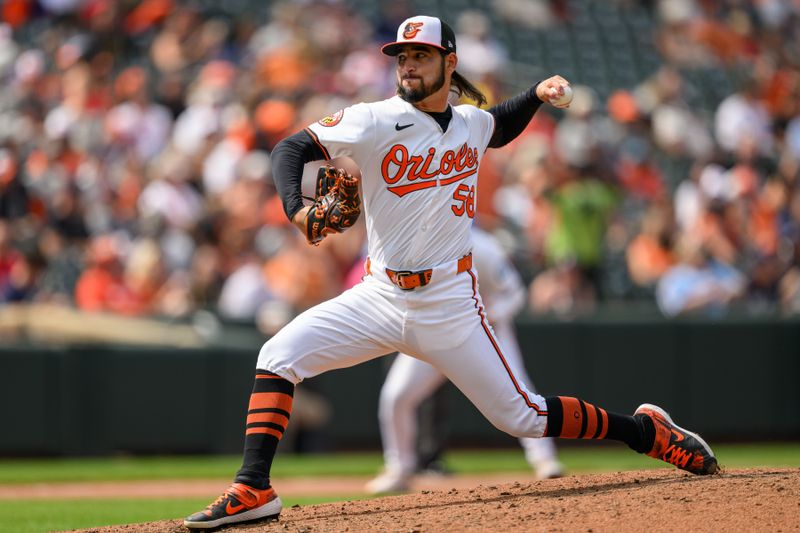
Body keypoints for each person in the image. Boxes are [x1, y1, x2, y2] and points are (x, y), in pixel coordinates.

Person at [185, 15, 718, 530]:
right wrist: (299, 211)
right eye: (402, 56)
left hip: (449, 302)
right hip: (379, 295)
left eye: (421, 55)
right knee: (278, 355)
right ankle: (254, 486)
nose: (408, 65)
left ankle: (644, 432)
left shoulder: (470, 122)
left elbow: (500, 126)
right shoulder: (373, 118)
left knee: (524, 418)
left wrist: (535, 95)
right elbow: (291, 147)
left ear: (449, 62)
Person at [366, 227, 563, 494]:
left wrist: (490, 313)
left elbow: (515, 294)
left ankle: (545, 460)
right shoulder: (417, 243)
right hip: (435, 328)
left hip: (487, 329)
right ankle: (399, 468)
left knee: (520, 393)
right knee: (396, 397)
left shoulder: (484, 247)